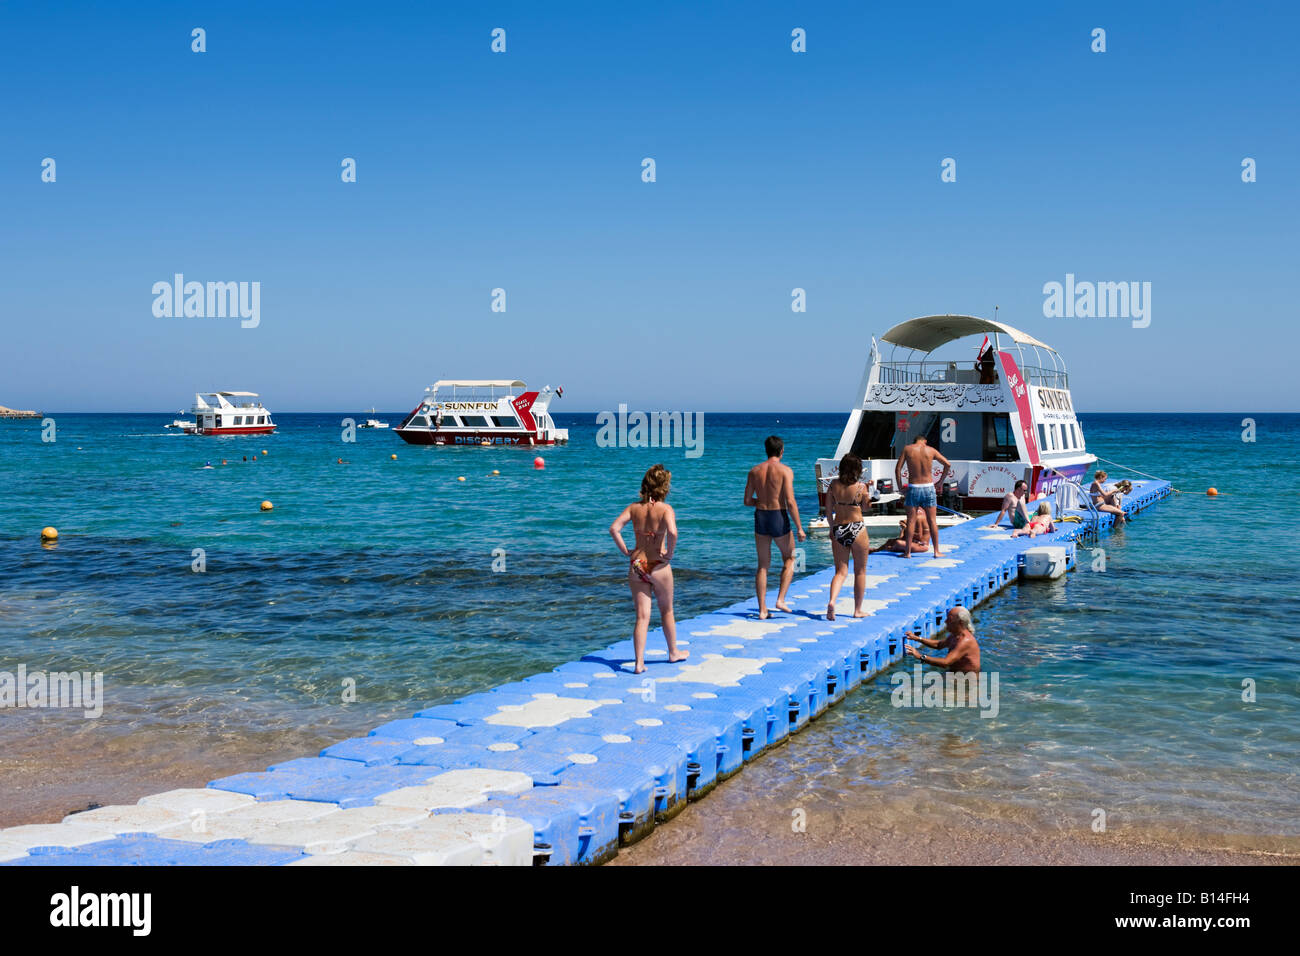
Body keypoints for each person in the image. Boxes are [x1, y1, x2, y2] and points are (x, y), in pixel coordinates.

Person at [609, 464, 689, 674]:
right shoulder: (665, 509)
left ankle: (639, 663)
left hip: (637, 564)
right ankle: (673, 652)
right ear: (664, 488)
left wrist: (626, 550)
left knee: (642, 616)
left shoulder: (633, 508)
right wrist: (669, 553)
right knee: (667, 611)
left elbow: (614, 528)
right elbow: (672, 532)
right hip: (658, 565)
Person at [744, 436, 806, 619]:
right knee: (790, 557)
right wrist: (800, 528)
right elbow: (791, 501)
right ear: (782, 451)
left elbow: (747, 501)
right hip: (778, 516)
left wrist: (762, 501)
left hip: (761, 516)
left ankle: (762, 610)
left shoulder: (754, 471)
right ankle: (780, 599)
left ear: (766, 450)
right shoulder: (785, 471)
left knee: (762, 566)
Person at [823, 453, 874, 619]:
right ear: (857, 469)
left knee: (840, 571)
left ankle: (832, 601)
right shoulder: (861, 487)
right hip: (857, 527)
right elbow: (866, 508)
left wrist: (831, 528)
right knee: (860, 571)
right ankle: (857, 610)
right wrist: (869, 493)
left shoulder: (833, 485)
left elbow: (828, 509)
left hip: (839, 527)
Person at [895, 435, 951, 558]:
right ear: (924, 441)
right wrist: (940, 482)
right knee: (932, 521)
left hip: (913, 487)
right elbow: (947, 464)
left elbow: (898, 469)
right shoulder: (930, 450)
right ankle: (936, 551)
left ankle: (907, 552)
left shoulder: (908, 449)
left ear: (915, 441)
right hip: (929, 487)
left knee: (911, 521)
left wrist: (900, 487)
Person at [904, 606, 981, 673]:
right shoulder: (955, 635)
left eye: (949, 619)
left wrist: (920, 656)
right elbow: (938, 644)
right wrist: (917, 638)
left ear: (960, 622)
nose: (945, 621)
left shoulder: (965, 641)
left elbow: (945, 662)